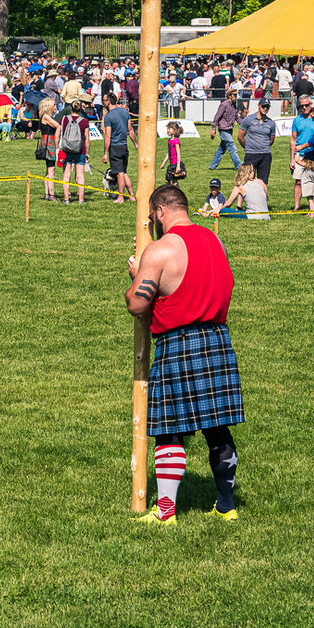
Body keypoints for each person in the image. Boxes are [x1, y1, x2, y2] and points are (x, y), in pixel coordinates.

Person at [125, 184, 245, 524]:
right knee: (218, 429)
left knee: (169, 429)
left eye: (153, 217)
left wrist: (136, 276)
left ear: (161, 211)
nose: (154, 223)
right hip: (217, 340)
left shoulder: (160, 251)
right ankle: (226, 506)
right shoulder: (216, 241)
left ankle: (166, 513)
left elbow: (137, 304)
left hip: (178, 343)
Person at [103, 91, 137, 204]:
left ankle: (120, 197)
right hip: (124, 146)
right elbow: (130, 129)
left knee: (119, 173)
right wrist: (136, 144)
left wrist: (105, 153)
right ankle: (131, 195)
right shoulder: (124, 112)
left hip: (115, 147)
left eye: (104, 100)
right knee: (124, 171)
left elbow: (108, 136)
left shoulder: (108, 117)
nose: (102, 102)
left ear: (108, 102)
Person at [290, 94, 314, 214]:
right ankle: (297, 206)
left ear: (311, 105)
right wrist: (292, 158)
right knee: (298, 181)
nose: (304, 108)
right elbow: (293, 139)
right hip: (299, 155)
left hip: (312, 154)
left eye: (306, 105)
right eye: (302, 106)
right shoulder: (297, 120)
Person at [58, 98, 90, 205]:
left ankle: (66, 198)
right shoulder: (84, 121)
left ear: (70, 108)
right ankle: (81, 199)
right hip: (80, 150)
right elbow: (87, 138)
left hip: (66, 149)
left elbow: (60, 132)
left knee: (66, 175)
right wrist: (87, 152)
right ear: (80, 109)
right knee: (80, 176)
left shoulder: (64, 119)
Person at [238, 98, 276, 185]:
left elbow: (271, 140)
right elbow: (240, 137)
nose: (265, 109)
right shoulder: (248, 120)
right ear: (258, 106)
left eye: (267, 107)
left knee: (262, 183)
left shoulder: (271, 123)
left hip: (265, 155)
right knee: (246, 181)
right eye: (263, 106)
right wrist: (246, 146)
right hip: (251, 154)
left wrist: (263, 145)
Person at [209, 91, 242, 172]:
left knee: (222, 149)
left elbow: (236, 117)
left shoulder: (234, 104)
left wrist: (244, 124)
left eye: (236, 95)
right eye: (234, 95)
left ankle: (213, 166)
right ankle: (239, 166)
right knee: (232, 147)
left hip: (230, 129)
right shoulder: (224, 104)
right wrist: (213, 129)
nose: (236, 96)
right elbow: (217, 117)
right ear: (229, 96)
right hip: (223, 129)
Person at [38, 96, 62, 200]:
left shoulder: (43, 116)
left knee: (48, 169)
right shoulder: (46, 117)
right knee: (51, 170)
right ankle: (51, 194)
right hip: (50, 142)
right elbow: (58, 126)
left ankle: (47, 193)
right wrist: (57, 144)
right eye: (54, 105)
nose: (55, 107)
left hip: (45, 141)